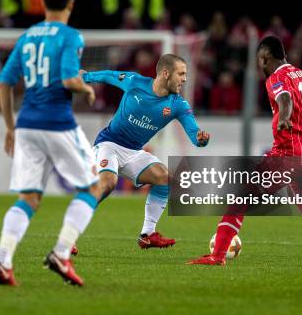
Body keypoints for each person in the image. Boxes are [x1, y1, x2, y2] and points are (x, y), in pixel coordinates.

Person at [188, 35, 302, 267]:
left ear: (265, 58)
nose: (259, 66)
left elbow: (285, 98)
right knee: (300, 193)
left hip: (288, 155)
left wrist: (283, 117)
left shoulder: (276, 78)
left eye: (259, 61)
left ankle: (217, 255)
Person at [0, 0, 98, 287]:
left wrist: (10, 127)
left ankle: (3, 260)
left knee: (29, 198)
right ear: (71, 5)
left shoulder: (27, 37)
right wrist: (86, 89)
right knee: (95, 186)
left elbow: (4, 83)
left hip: (26, 126)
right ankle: (62, 254)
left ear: (43, 4)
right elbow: (68, 80)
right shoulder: (70, 36)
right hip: (57, 123)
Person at [82, 54, 210, 249]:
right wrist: (86, 77)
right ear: (166, 73)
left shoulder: (178, 104)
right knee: (107, 184)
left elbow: (194, 133)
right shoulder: (135, 82)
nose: (185, 79)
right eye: (181, 74)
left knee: (164, 177)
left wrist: (201, 139)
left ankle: (147, 234)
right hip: (109, 144)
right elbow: (109, 76)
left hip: (134, 152)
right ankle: (70, 237)